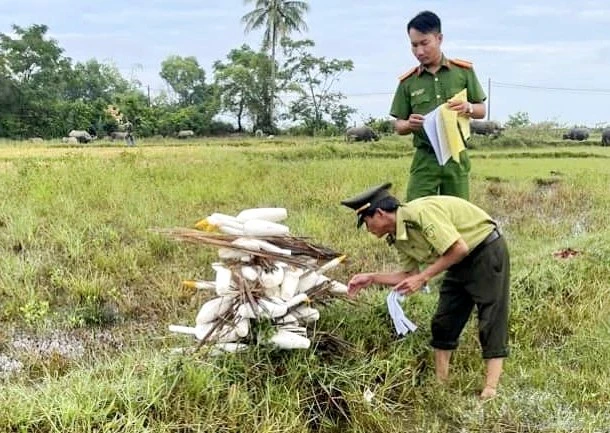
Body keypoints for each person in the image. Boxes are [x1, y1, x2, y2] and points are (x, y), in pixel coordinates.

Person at [341, 182, 510, 399]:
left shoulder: (420, 214)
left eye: (366, 222)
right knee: (444, 320)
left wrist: (424, 277)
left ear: (380, 214)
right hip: (455, 261)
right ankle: (441, 383)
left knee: (491, 315)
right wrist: (371, 278)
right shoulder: (398, 235)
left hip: (484, 251)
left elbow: (459, 248)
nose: (368, 229)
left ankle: (491, 388)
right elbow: (408, 275)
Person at [390, 11, 487, 201]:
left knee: (458, 215)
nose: (419, 51)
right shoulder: (408, 82)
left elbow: (481, 111)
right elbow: (398, 125)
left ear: (439, 38)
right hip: (425, 159)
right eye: (414, 45)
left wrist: (468, 107)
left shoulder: (463, 72)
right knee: (415, 214)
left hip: (456, 157)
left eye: (424, 43)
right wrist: (409, 124)